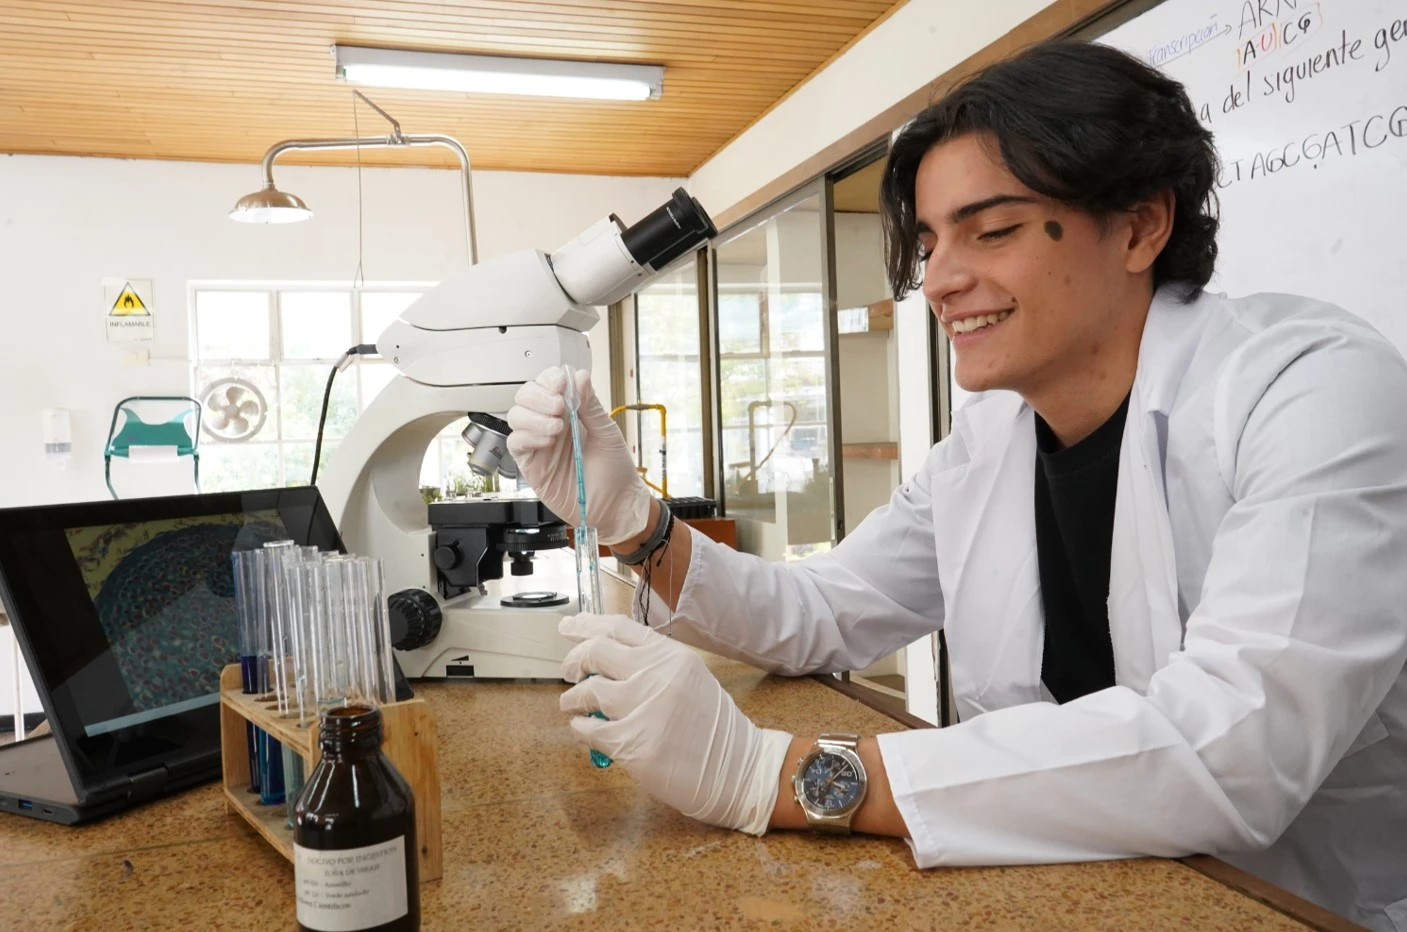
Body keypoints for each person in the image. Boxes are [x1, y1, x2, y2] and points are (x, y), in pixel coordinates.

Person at [506, 40, 1407, 931]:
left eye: (995, 229)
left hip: (1295, 906)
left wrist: (776, 774)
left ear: (1139, 226)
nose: (938, 281)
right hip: (1066, 886)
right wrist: (633, 521)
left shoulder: (1310, 389)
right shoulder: (990, 439)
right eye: (932, 240)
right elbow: (820, 613)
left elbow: (1231, 747)